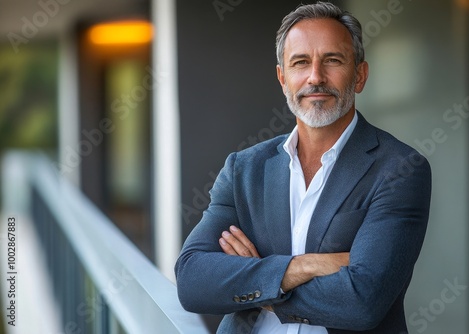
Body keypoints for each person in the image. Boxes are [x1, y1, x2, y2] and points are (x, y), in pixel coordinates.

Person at [175, 2, 432, 333]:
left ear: (360, 75)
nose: (315, 77)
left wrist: (255, 279)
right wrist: (305, 266)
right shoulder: (244, 169)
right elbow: (193, 281)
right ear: (283, 79)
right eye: (300, 63)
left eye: (333, 60)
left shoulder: (400, 169)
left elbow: (362, 302)